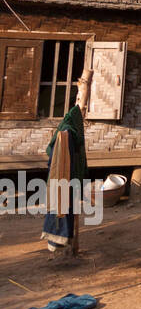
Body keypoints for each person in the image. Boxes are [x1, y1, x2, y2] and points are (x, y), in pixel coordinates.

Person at [42, 71, 89, 255]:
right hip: (64, 176)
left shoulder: (69, 130)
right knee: (62, 197)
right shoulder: (68, 133)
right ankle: (58, 237)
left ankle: (61, 238)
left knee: (63, 197)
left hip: (66, 177)